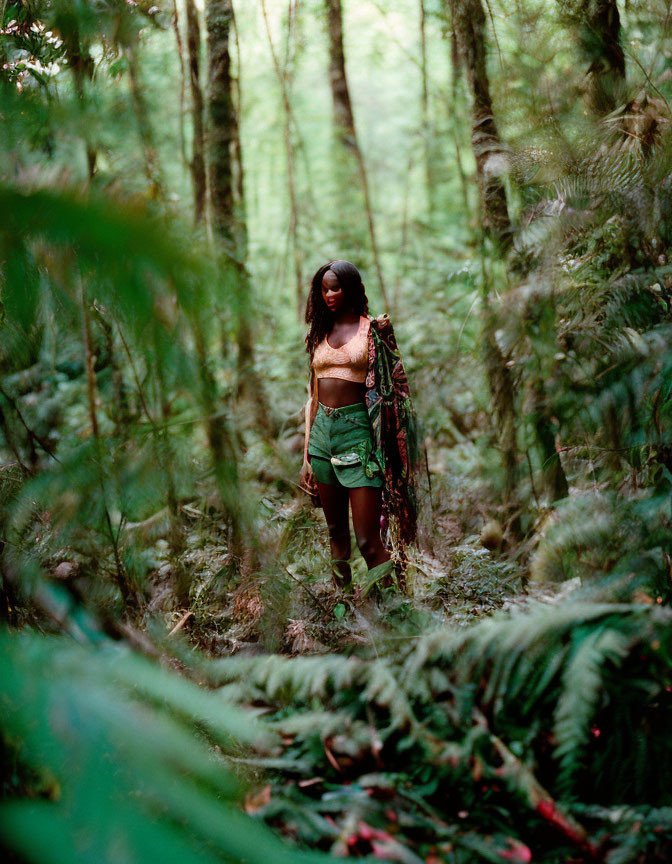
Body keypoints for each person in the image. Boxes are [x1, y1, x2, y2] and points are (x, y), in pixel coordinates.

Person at [300, 260, 421, 598]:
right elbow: (312, 396)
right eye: (323, 289)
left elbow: (393, 392)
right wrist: (307, 455)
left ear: (351, 288)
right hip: (323, 436)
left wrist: (390, 448)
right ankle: (343, 610)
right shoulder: (319, 333)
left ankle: (397, 613)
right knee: (336, 533)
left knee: (368, 542)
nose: (328, 295)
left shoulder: (373, 331)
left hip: (360, 437)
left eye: (335, 287)